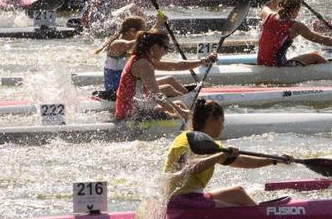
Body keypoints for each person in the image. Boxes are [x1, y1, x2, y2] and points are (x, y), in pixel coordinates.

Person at [164, 100, 292, 209]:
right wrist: (220, 156)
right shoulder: (187, 141)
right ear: (211, 119)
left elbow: (241, 161)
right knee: (241, 213)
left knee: (238, 193)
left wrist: (274, 159)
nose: (223, 126)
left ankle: (260, 217)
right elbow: (188, 168)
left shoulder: (210, 144)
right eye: (222, 120)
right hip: (181, 202)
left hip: (194, 197)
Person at [114, 31, 217, 121]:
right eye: (165, 48)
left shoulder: (143, 58)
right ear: (155, 46)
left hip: (135, 107)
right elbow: (157, 96)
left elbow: (176, 65)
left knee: (179, 104)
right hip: (130, 115)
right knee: (184, 113)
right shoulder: (144, 64)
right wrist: (179, 112)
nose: (166, 52)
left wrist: (203, 61)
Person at [257, 0, 332, 66]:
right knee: (315, 55)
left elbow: (266, 6)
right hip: (279, 67)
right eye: (298, 11)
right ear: (295, 9)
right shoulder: (295, 26)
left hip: (261, 63)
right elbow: (323, 40)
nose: (297, 14)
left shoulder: (268, 15)